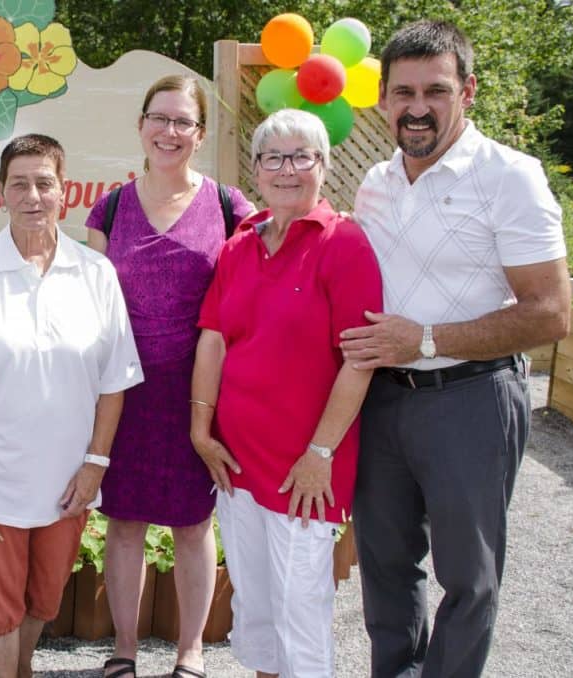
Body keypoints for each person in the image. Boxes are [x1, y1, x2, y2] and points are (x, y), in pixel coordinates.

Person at [339, 20, 572, 678]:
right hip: (384, 401)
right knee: (386, 567)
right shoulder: (376, 182)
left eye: (435, 91)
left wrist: (428, 339)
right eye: (403, 92)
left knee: (469, 579)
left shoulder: (511, 178)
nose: (417, 108)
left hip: (471, 399)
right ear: (382, 97)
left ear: (467, 91)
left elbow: (552, 311)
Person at [0, 133, 143, 678]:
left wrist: (95, 465)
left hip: (65, 483)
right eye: (18, 183)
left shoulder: (96, 275)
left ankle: (19, 670)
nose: (32, 196)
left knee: (43, 597)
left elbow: (114, 381)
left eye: (43, 183)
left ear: (63, 192)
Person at [191, 108, 383, 678]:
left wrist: (319, 454)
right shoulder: (239, 245)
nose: (287, 169)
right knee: (256, 607)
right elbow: (214, 341)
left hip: (304, 473)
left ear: (323, 166)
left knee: (301, 612)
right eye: (273, 157)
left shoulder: (344, 243)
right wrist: (201, 429)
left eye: (302, 156)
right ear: (255, 170)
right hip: (237, 463)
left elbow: (360, 359)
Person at [85, 75, 254, 678]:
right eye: (160, 118)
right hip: (125, 396)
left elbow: (266, 275)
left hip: (200, 396)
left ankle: (191, 651)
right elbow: (90, 305)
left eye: (184, 122)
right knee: (124, 523)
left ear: (201, 135)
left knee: (192, 523)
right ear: (141, 125)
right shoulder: (109, 207)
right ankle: (125, 650)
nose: (170, 131)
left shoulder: (231, 207)